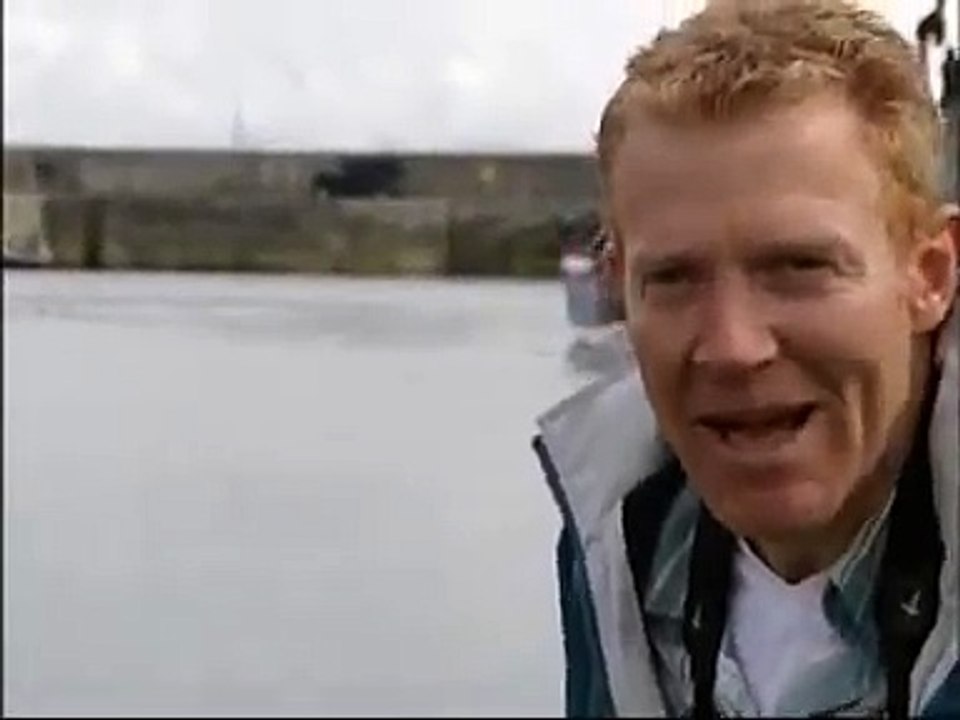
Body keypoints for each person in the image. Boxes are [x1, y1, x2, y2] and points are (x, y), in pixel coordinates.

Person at [532, 1, 959, 716]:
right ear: (619, 291)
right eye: (672, 279)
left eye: (798, 266)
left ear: (931, 277)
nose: (733, 346)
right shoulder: (616, 548)